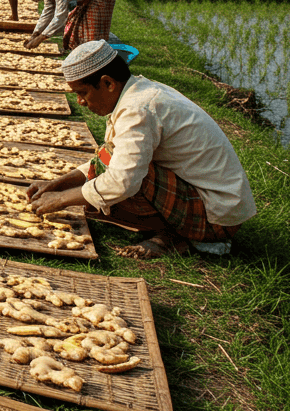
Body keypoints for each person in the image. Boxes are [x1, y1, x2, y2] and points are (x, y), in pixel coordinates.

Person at [28, 41, 257, 259]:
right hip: (207, 201)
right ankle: (171, 229)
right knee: (106, 165)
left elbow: (122, 181)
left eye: (83, 93)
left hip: (215, 216)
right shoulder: (136, 93)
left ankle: (179, 235)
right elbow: (107, 157)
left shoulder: (138, 109)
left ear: (108, 83)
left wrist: (61, 199)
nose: (80, 101)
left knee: (121, 179)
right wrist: (58, 184)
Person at [23, 0, 115, 52]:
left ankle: (96, 54)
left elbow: (60, 16)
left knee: (92, 29)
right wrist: (36, 33)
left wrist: (41, 38)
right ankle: (79, 52)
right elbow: (47, 11)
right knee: (75, 25)